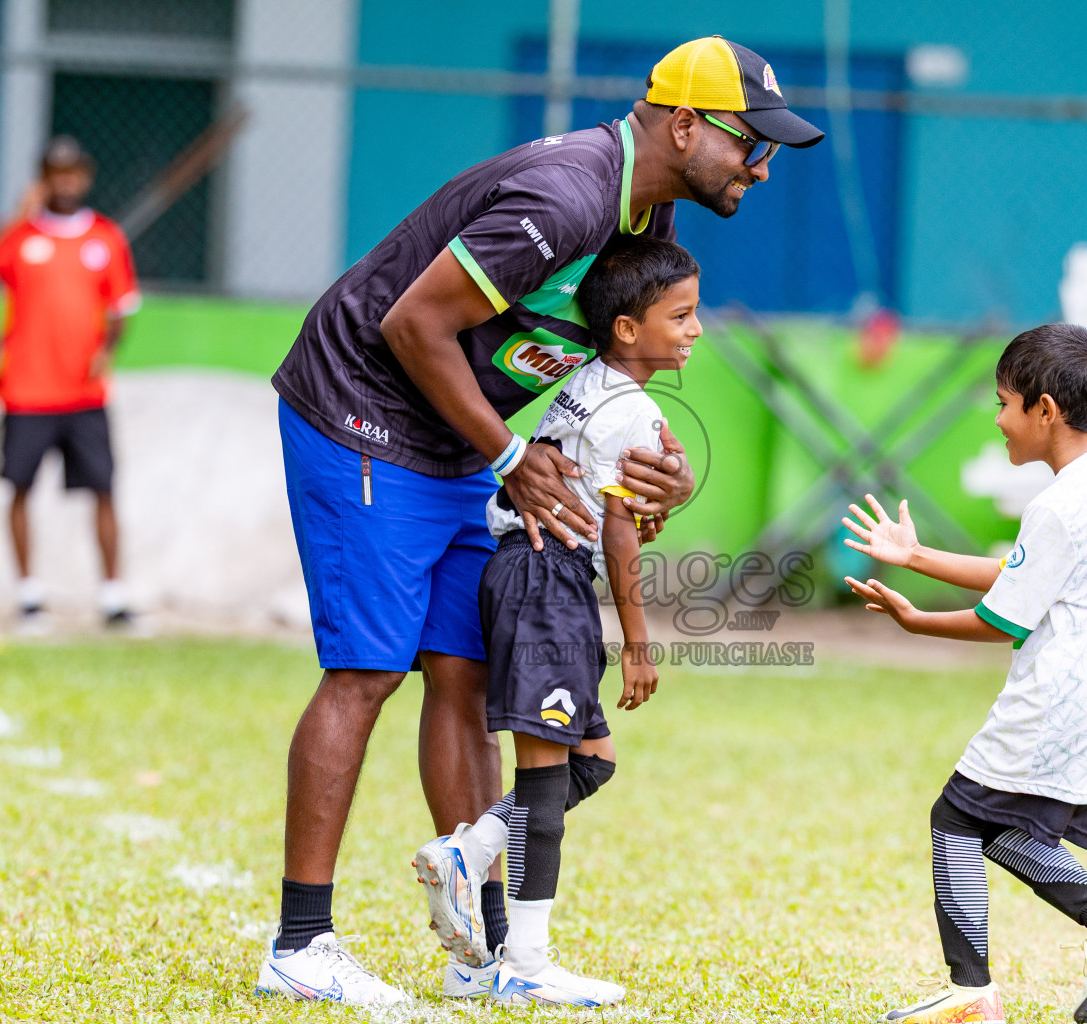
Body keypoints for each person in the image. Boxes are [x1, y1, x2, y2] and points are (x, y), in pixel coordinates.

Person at [257, 36, 823, 1007]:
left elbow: (600, 365)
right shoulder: (568, 197)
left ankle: (490, 952)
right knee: (366, 670)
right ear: (685, 125)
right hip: (360, 406)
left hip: (448, 432)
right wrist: (514, 459)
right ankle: (300, 943)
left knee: (469, 671)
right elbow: (411, 325)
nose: (762, 166)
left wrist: (645, 466)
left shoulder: (652, 206)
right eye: (751, 142)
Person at [841, 324, 1087, 1024]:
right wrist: (917, 556)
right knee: (1001, 831)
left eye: (1005, 403)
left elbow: (1002, 619)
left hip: (1057, 701)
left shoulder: (1057, 504)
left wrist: (913, 621)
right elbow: (1028, 575)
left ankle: (977, 992)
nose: (998, 419)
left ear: (1045, 411)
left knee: (954, 816)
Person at [412, 236, 699, 1006]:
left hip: (531, 578)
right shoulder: (630, 408)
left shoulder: (589, 382)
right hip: (547, 581)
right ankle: (525, 963)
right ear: (629, 329)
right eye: (682, 315)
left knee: (590, 760)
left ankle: (471, 856)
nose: (695, 329)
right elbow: (618, 530)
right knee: (543, 780)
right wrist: (639, 644)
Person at [0, 136, 141, 629]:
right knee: (19, 489)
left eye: (74, 172)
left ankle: (113, 597)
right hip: (26, 390)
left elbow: (121, 307)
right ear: (43, 179)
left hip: (84, 392)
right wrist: (16, 216)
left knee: (103, 490)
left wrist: (108, 348)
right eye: (57, 173)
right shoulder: (19, 238)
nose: (67, 181)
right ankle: (29, 597)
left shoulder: (106, 237)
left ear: (86, 176)